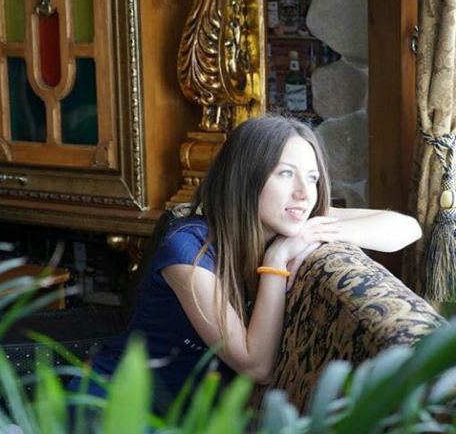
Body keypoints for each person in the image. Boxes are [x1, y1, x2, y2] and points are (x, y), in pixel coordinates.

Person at [68, 116, 421, 413]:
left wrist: (317, 233)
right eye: (286, 174)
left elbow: (407, 228)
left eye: (312, 178)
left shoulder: (290, 216)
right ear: (246, 178)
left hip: (188, 416)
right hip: (117, 409)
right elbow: (256, 365)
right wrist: (277, 259)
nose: (304, 192)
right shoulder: (188, 251)